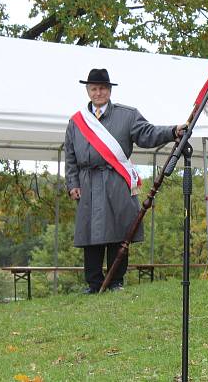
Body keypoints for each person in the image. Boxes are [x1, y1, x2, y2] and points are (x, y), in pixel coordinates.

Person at [64, 69, 185, 293]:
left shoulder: (127, 115)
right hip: (88, 181)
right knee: (91, 234)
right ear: (88, 91)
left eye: (102, 88)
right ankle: (93, 283)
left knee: (119, 231)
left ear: (109, 91)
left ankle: (116, 281)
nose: (98, 92)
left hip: (116, 180)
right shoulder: (76, 122)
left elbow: (148, 134)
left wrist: (171, 131)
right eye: (94, 88)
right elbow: (70, 156)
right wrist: (72, 184)